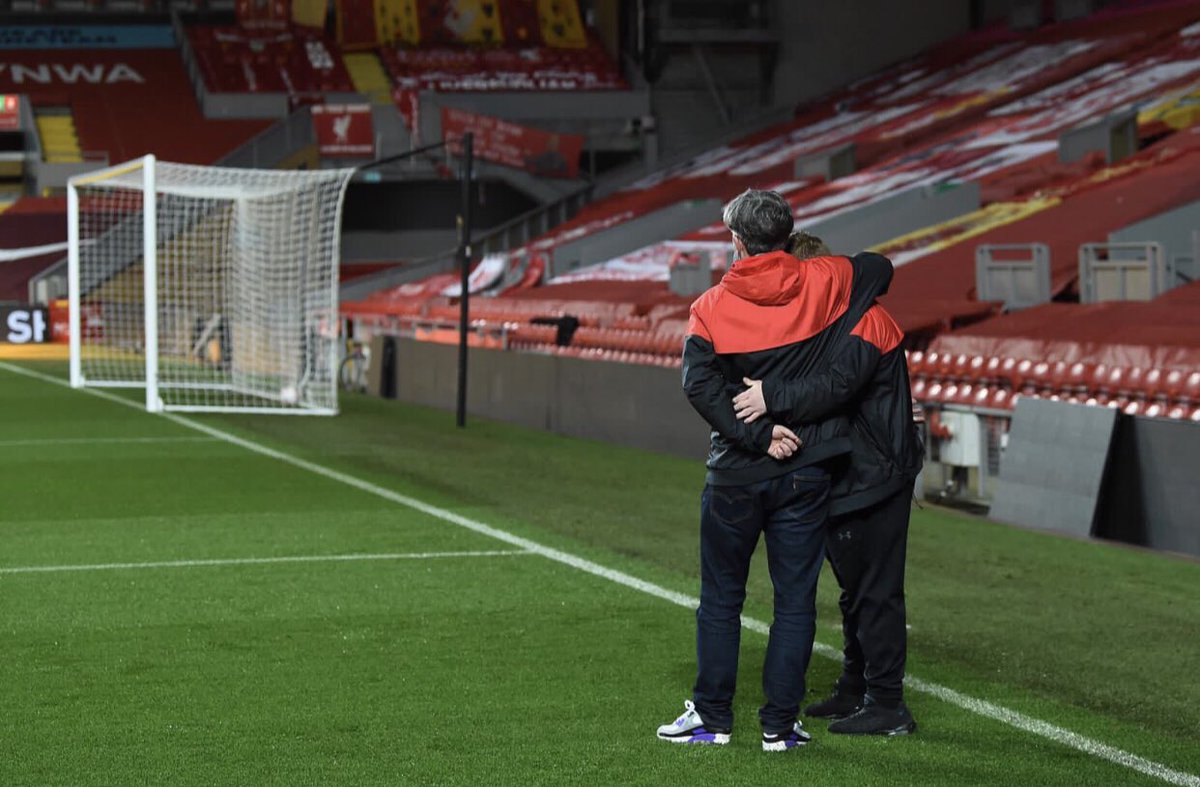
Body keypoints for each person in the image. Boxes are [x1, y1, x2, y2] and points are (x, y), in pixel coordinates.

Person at [655, 191, 893, 752]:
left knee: (720, 600)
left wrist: (758, 434)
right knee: (794, 602)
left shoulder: (711, 305)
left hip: (737, 473)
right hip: (808, 469)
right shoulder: (828, 279)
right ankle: (779, 727)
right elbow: (880, 268)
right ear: (787, 236)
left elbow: (699, 385)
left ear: (737, 240)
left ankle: (713, 719)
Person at [732, 231, 924, 736]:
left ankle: (887, 703)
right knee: (855, 590)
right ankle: (855, 687)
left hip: (876, 475)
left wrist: (771, 395)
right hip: (855, 473)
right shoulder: (832, 327)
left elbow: (838, 387)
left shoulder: (865, 322)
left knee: (876, 591)